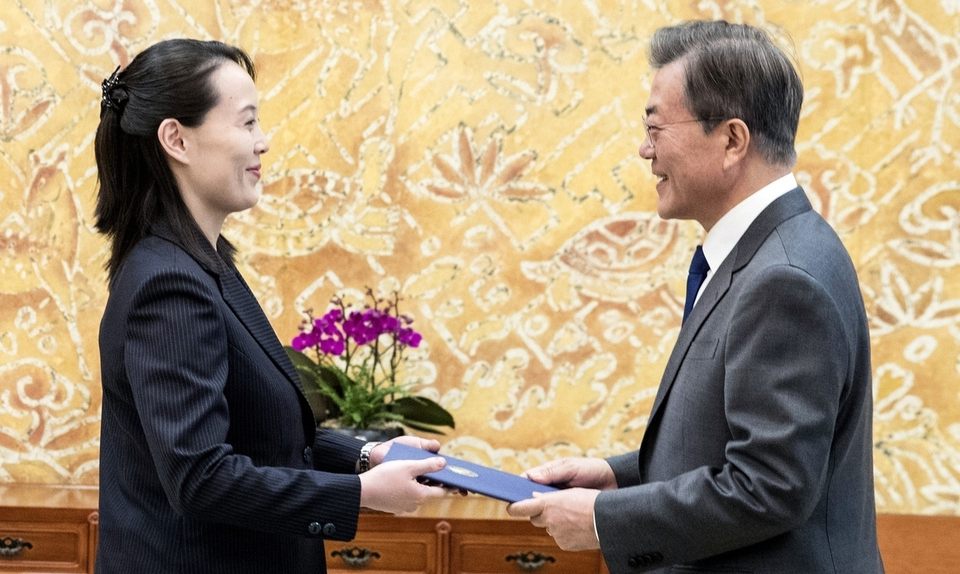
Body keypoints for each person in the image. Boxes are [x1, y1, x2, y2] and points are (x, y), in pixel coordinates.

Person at [508, 20, 883, 573]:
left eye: (655, 127)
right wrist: (617, 478)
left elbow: (769, 486)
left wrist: (603, 520)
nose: (643, 150)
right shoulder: (763, 252)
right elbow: (727, 445)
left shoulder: (785, 277)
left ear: (732, 140)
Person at [93, 39, 448, 574]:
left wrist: (365, 456)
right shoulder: (168, 283)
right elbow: (200, 478)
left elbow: (257, 435)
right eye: (247, 122)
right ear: (177, 139)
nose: (264, 142)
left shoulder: (203, 264)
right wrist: (359, 495)